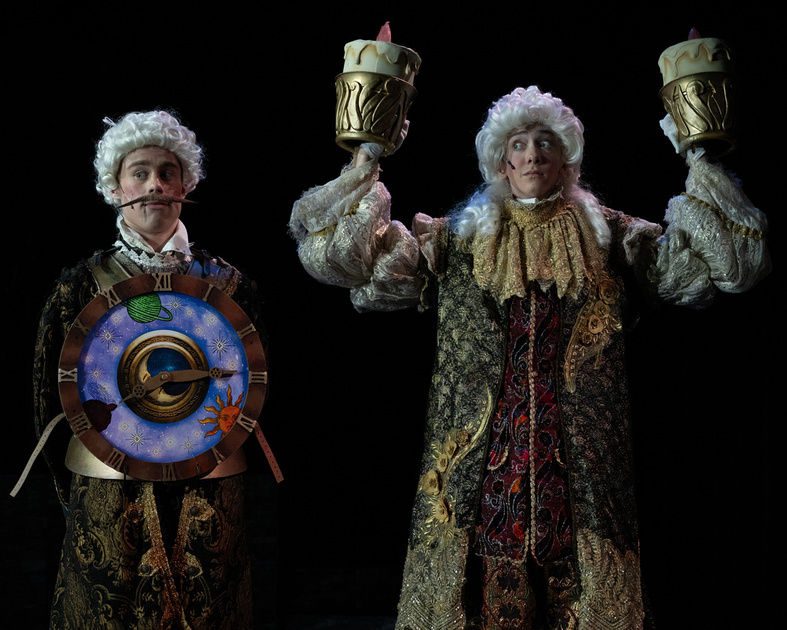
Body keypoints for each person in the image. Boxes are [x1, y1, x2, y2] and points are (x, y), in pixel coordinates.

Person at [289, 86, 770, 629]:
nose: (533, 154)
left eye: (545, 142)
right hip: (478, 472)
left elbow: (720, 268)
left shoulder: (612, 237)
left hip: (581, 475)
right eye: (519, 143)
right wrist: (366, 156)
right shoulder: (453, 241)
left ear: (565, 156)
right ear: (501, 160)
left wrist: (700, 153)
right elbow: (349, 262)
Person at [34, 111, 263, 629]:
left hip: (209, 486)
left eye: (167, 171)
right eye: (139, 172)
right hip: (110, 490)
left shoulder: (229, 284)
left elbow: (256, 385)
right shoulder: (78, 287)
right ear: (115, 187)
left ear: (186, 185)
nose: (154, 185)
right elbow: (49, 396)